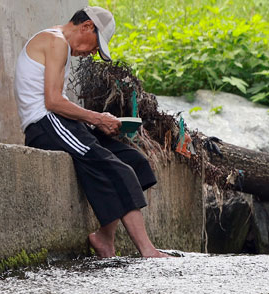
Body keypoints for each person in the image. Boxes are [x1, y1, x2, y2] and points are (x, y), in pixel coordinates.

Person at [15, 7, 169, 258]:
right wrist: (97, 119)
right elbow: (53, 102)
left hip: (62, 122)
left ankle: (104, 239)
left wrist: (96, 122)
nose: (91, 53)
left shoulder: (59, 42)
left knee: (135, 161)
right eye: (95, 46)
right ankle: (148, 251)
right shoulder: (56, 42)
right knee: (119, 169)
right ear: (86, 26)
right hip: (45, 125)